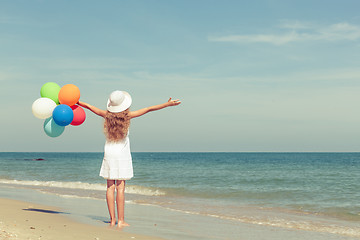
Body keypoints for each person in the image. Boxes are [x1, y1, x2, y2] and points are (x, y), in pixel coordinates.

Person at [78, 90, 181, 228]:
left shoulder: (106, 115)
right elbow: (149, 109)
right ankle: (121, 221)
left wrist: (78, 102)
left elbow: (90, 107)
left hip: (109, 153)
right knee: (120, 188)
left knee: (110, 187)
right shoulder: (128, 117)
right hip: (122, 154)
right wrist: (167, 104)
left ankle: (112, 220)